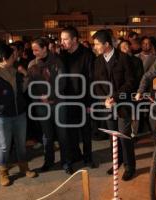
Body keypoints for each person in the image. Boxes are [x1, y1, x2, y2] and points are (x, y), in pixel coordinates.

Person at [0, 42, 36, 186]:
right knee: (4, 146)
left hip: (19, 114)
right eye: (12, 56)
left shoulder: (14, 70)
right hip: (1, 117)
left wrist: (26, 75)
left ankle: (24, 167)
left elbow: (21, 90)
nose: (15, 58)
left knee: (21, 144)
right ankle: (3, 172)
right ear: (4, 58)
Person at [92, 29, 136, 181]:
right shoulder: (97, 61)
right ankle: (117, 162)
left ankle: (130, 166)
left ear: (106, 44)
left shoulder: (123, 58)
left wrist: (115, 97)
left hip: (123, 103)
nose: (95, 47)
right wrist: (104, 99)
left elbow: (131, 81)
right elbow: (96, 83)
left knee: (124, 136)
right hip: (107, 105)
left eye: (97, 44)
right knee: (113, 137)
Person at [28, 38, 72, 174]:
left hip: (58, 103)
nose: (34, 53)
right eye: (32, 50)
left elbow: (62, 83)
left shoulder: (57, 62)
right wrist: (40, 98)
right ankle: (48, 161)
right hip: (41, 105)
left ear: (45, 48)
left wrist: (49, 96)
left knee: (62, 134)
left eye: (36, 50)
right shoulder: (32, 65)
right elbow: (31, 86)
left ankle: (66, 162)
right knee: (47, 136)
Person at [60, 26, 98, 168]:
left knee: (86, 132)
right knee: (70, 132)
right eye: (61, 39)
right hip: (66, 100)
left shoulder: (87, 55)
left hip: (84, 101)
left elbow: (92, 80)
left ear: (75, 40)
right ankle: (74, 156)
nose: (62, 42)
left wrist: (90, 103)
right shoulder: (61, 56)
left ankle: (88, 158)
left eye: (65, 39)